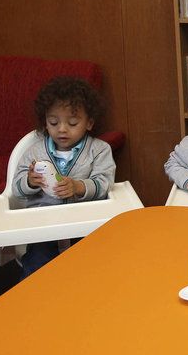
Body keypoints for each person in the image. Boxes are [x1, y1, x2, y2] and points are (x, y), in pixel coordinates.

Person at [11, 77, 115, 278]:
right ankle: (38, 301)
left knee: (93, 262)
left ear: (89, 123)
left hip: (84, 222)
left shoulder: (99, 150)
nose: (62, 129)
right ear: (45, 123)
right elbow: (16, 189)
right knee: (37, 263)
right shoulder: (34, 152)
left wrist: (78, 187)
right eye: (54, 122)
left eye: (73, 122)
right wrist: (30, 181)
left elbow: (104, 183)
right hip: (44, 224)